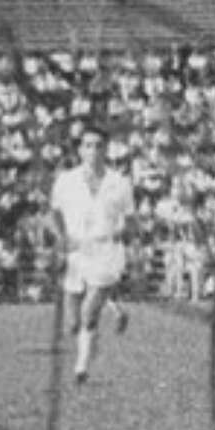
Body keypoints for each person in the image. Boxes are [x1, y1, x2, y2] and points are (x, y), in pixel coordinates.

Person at [49, 122, 139, 386]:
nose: (94, 151)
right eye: (88, 145)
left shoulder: (119, 183)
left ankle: (81, 368)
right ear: (80, 149)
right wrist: (61, 237)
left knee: (89, 313)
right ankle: (109, 315)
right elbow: (53, 212)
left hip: (106, 249)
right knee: (72, 324)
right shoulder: (66, 181)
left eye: (99, 146)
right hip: (76, 249)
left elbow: (132, 219)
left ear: (106, 149)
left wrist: (126, 234)